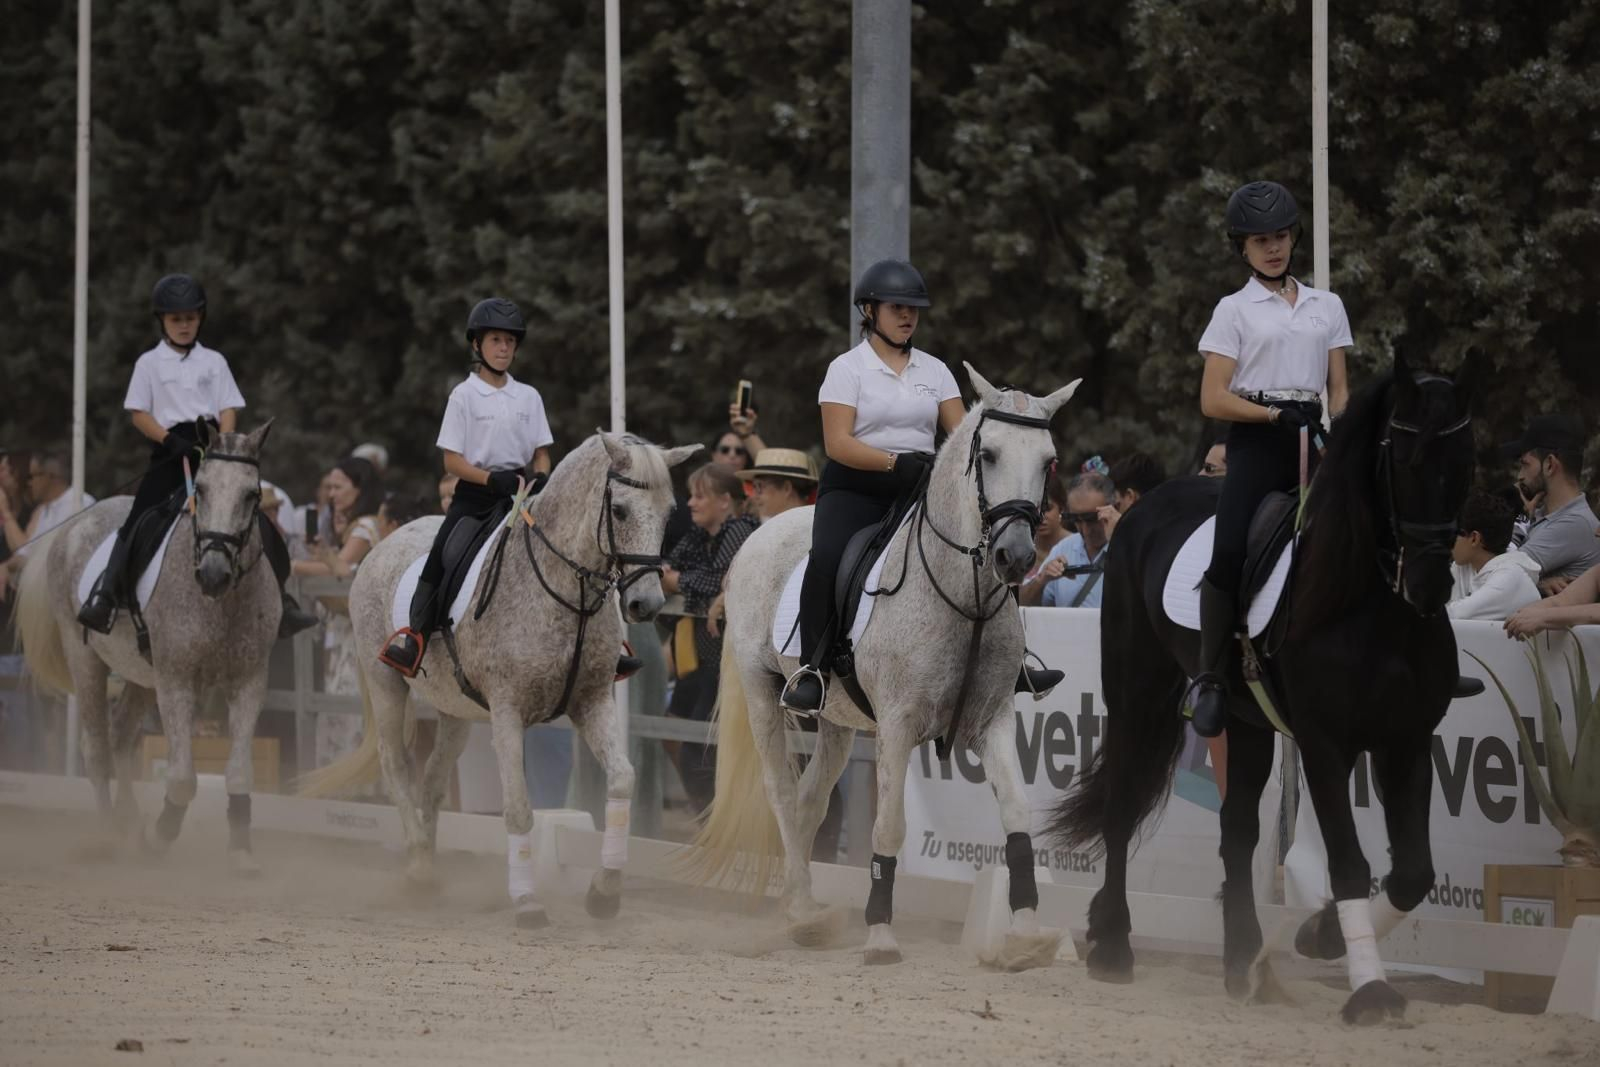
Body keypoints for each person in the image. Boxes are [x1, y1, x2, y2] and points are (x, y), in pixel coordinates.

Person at [779, 259, 1063, 712]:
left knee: (991, 542)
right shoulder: (846, 368)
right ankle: (813, 668)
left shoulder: (935, 371)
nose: (908, 316)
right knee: (828, 556)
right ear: (870, 310)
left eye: (914, 309)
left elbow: (962, 433)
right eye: (897, 307)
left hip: (921, 487)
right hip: (856, 488)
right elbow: (837, 443)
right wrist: (894, 462)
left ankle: (1016, 659)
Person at [1186, 182, 1351, 739]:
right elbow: (1213, 398)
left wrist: (1344, 436)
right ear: (1243, 248)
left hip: (1317, 436)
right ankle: (1210, 678)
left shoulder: (1326, 305)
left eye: (1280, 236)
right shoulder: (1233, 310)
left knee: (1372, 528)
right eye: (1261, 240)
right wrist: (1276, 415)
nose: (1274, 248)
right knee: (1230, 546)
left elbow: (1340, 390)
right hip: (1258, 441)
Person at [76, 274, 316, 638]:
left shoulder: (214, 361)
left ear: (200, 318)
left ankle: (282, 600)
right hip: (169, 450)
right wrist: (170, 440)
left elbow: (229, 407)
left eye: (190, 318)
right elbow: (139, 414)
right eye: (176, 319)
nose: (184, 325)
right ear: (163, 321)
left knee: (258, 521)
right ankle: (107, 595)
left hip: (214, 450)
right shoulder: (149, 364)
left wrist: (223, 443)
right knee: (140, 518)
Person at [379, 297, 555, 675]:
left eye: (510, 341)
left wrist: (540, 474)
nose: (504, 348)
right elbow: (452, 461)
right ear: (477, 345)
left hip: (523, 493)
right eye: (495, 340)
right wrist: (491, 478)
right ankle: (415, 636)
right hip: (478, 494)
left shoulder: (529, 396)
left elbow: (542, 451)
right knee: (445, 553)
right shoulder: (464, 394)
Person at [662, 464, 761, 810]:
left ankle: (712, 822)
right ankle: (708, 821)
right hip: (705, 661)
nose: (690, 503)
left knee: (698, 751)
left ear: (725, 501)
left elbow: (723, 581)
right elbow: (664, 571)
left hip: (730, 665)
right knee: (677, 737)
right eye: (691, 495)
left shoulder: (740, 529)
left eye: (699, 495)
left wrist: (681, 581)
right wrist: (691, 581)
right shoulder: (698, 535)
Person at [1500, 414, 1600, 595]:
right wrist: (1540, 584)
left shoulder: (1574, 524)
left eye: (1525, 464)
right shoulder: (1544, 516)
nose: (1520, 476)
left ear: (1550, 465)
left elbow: (1495, 576)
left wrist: (1519, 521)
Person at [0, 453, 95, 601]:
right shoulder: (44, 509)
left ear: (50, 476)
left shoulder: (78, 503)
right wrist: (6, 566)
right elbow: (25, 552)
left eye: (32, 476)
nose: (29, 483)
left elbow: (47, 557)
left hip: (69, 598)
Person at [1447, 492, 1541, 621]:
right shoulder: (1463, 565)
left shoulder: (1510, 577)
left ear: (1474, 538)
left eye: (1452, 533)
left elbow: (1455, 616)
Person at [1039, 473, 1115, 608]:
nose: (1085, 530)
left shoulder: (1131, 550)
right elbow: (1022, 605)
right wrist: (1041, 580)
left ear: (1114, 508)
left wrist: (1120, 541)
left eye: (1091, 519)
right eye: (1076, 519)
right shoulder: (1063, 549)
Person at [1017, 473, 1070, 607]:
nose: (1040, 517)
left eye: (1047, 508)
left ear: (1061, 508)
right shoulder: (1019, 550)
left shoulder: (1077, 546)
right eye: (1033, 508)